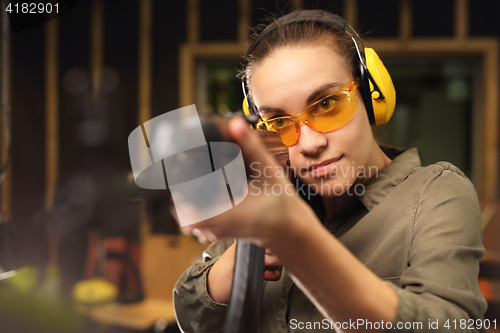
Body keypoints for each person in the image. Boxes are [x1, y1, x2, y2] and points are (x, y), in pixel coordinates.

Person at [173, 9, 487, 333]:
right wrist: (238, 261)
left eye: (326, 104)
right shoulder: (273, 194)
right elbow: (190, 308)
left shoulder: (437, 193)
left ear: (371, 96)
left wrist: (295, 238)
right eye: (280, 122)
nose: (309, 144)